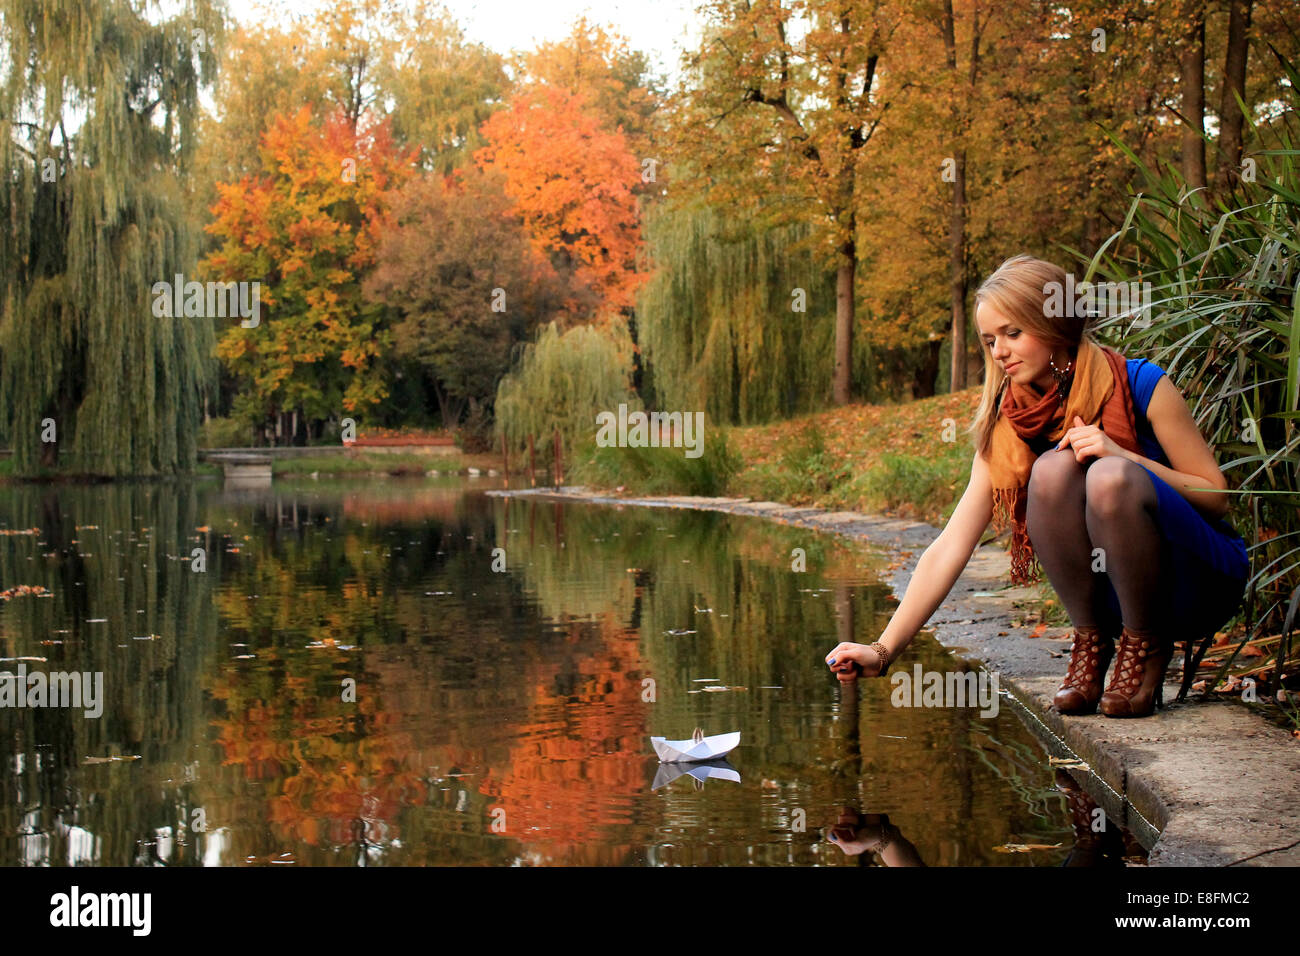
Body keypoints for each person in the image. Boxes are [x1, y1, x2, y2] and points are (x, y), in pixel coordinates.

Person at [824, 254, 1249, 719]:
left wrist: (1124, 456)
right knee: (1052, 469)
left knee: (1108, 476)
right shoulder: (1010, 427)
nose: (999, 351)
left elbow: (1216, 497)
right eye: (989, 341)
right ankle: (1092, 642)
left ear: (1056, 326)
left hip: (1195, 579)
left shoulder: (1141, 382)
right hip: (1112, 599)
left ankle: (1146, 648)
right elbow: (950, 545)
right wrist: (883, 650)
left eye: (1012, 333)